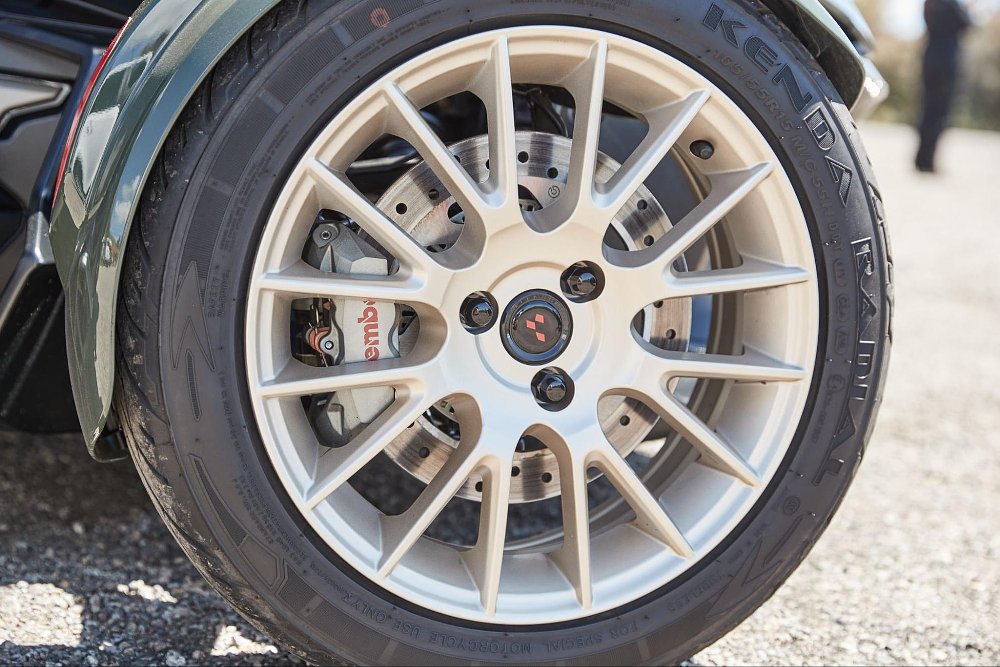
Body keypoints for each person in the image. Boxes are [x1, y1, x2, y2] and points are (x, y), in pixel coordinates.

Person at [916, 0, 973, 173]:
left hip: (929, 56)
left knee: (928, 109)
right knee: (940, 111)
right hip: (947, 60)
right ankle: (928, 161)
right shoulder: (953, 4)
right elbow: (967, 24)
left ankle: (921, 158)